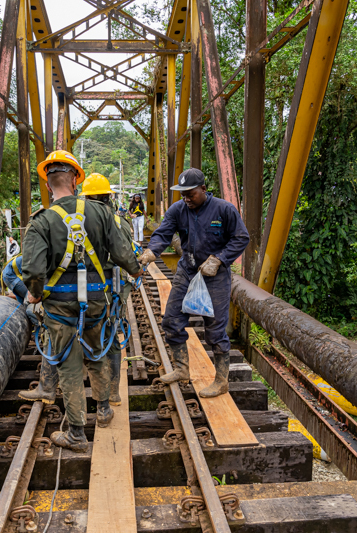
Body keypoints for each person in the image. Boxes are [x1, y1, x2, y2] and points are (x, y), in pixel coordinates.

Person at [22, 151, 142, 452]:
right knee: (97, 353)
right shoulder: (102, 213)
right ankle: (103, 410)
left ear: (48, 185)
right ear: (77, 179)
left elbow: (34, 270)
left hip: (59, 308)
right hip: (96, 301)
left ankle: (77, 432)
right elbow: (123, 254)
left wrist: (35, 294)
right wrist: (136, 271)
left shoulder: (41, 221)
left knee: (68, 364)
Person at [138, 168, 250, 397]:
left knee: (216, 329)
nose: (187, 199)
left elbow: (241, 238)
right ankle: (181, 369)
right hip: (187, 271)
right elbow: (163, 233)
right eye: (183, 195)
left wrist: (220, 259)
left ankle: (221, 381)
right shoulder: (178, 209)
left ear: (203, 189)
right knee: (171, 320)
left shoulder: (224, 209)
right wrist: (152, 251)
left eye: (191, 194)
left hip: (215, 276)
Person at [81, 173, 137, 406]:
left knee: (80, 331)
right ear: (108, 198)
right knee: (112, 332)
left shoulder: (73, 219)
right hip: (111, 285)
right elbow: (125, 254)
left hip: (82, 285)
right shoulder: (117, 221)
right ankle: (112, 392)